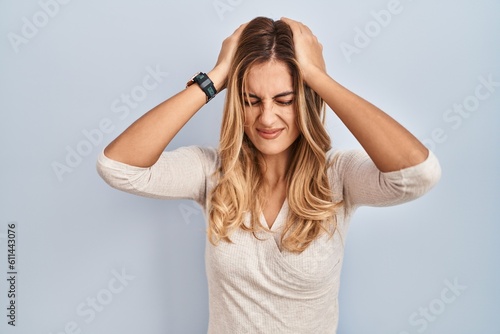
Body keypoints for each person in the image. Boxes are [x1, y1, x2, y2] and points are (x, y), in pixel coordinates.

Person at [97, 16, 441, 334]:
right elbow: (118, 168)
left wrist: (318, 77)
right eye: (251, 100)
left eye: (284, 99)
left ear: (306, 99)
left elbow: (418, 174)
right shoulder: (212, 172)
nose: (266, 118)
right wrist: (214, 78)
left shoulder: (339, 177)